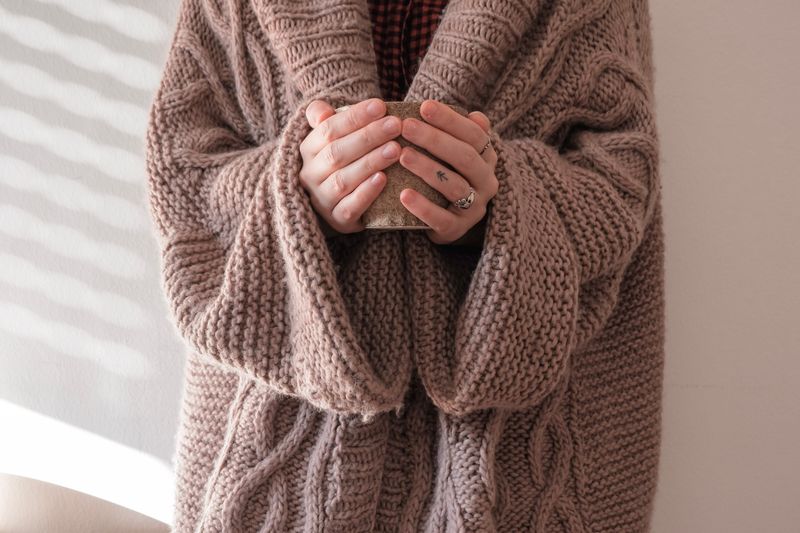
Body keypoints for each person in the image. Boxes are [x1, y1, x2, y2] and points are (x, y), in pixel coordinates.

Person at [144, 0, 665, 531]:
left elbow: (623, 171)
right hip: (280, 453)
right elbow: (184, 171)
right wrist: (301, 190)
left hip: (518, 463)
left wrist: (498, 205)